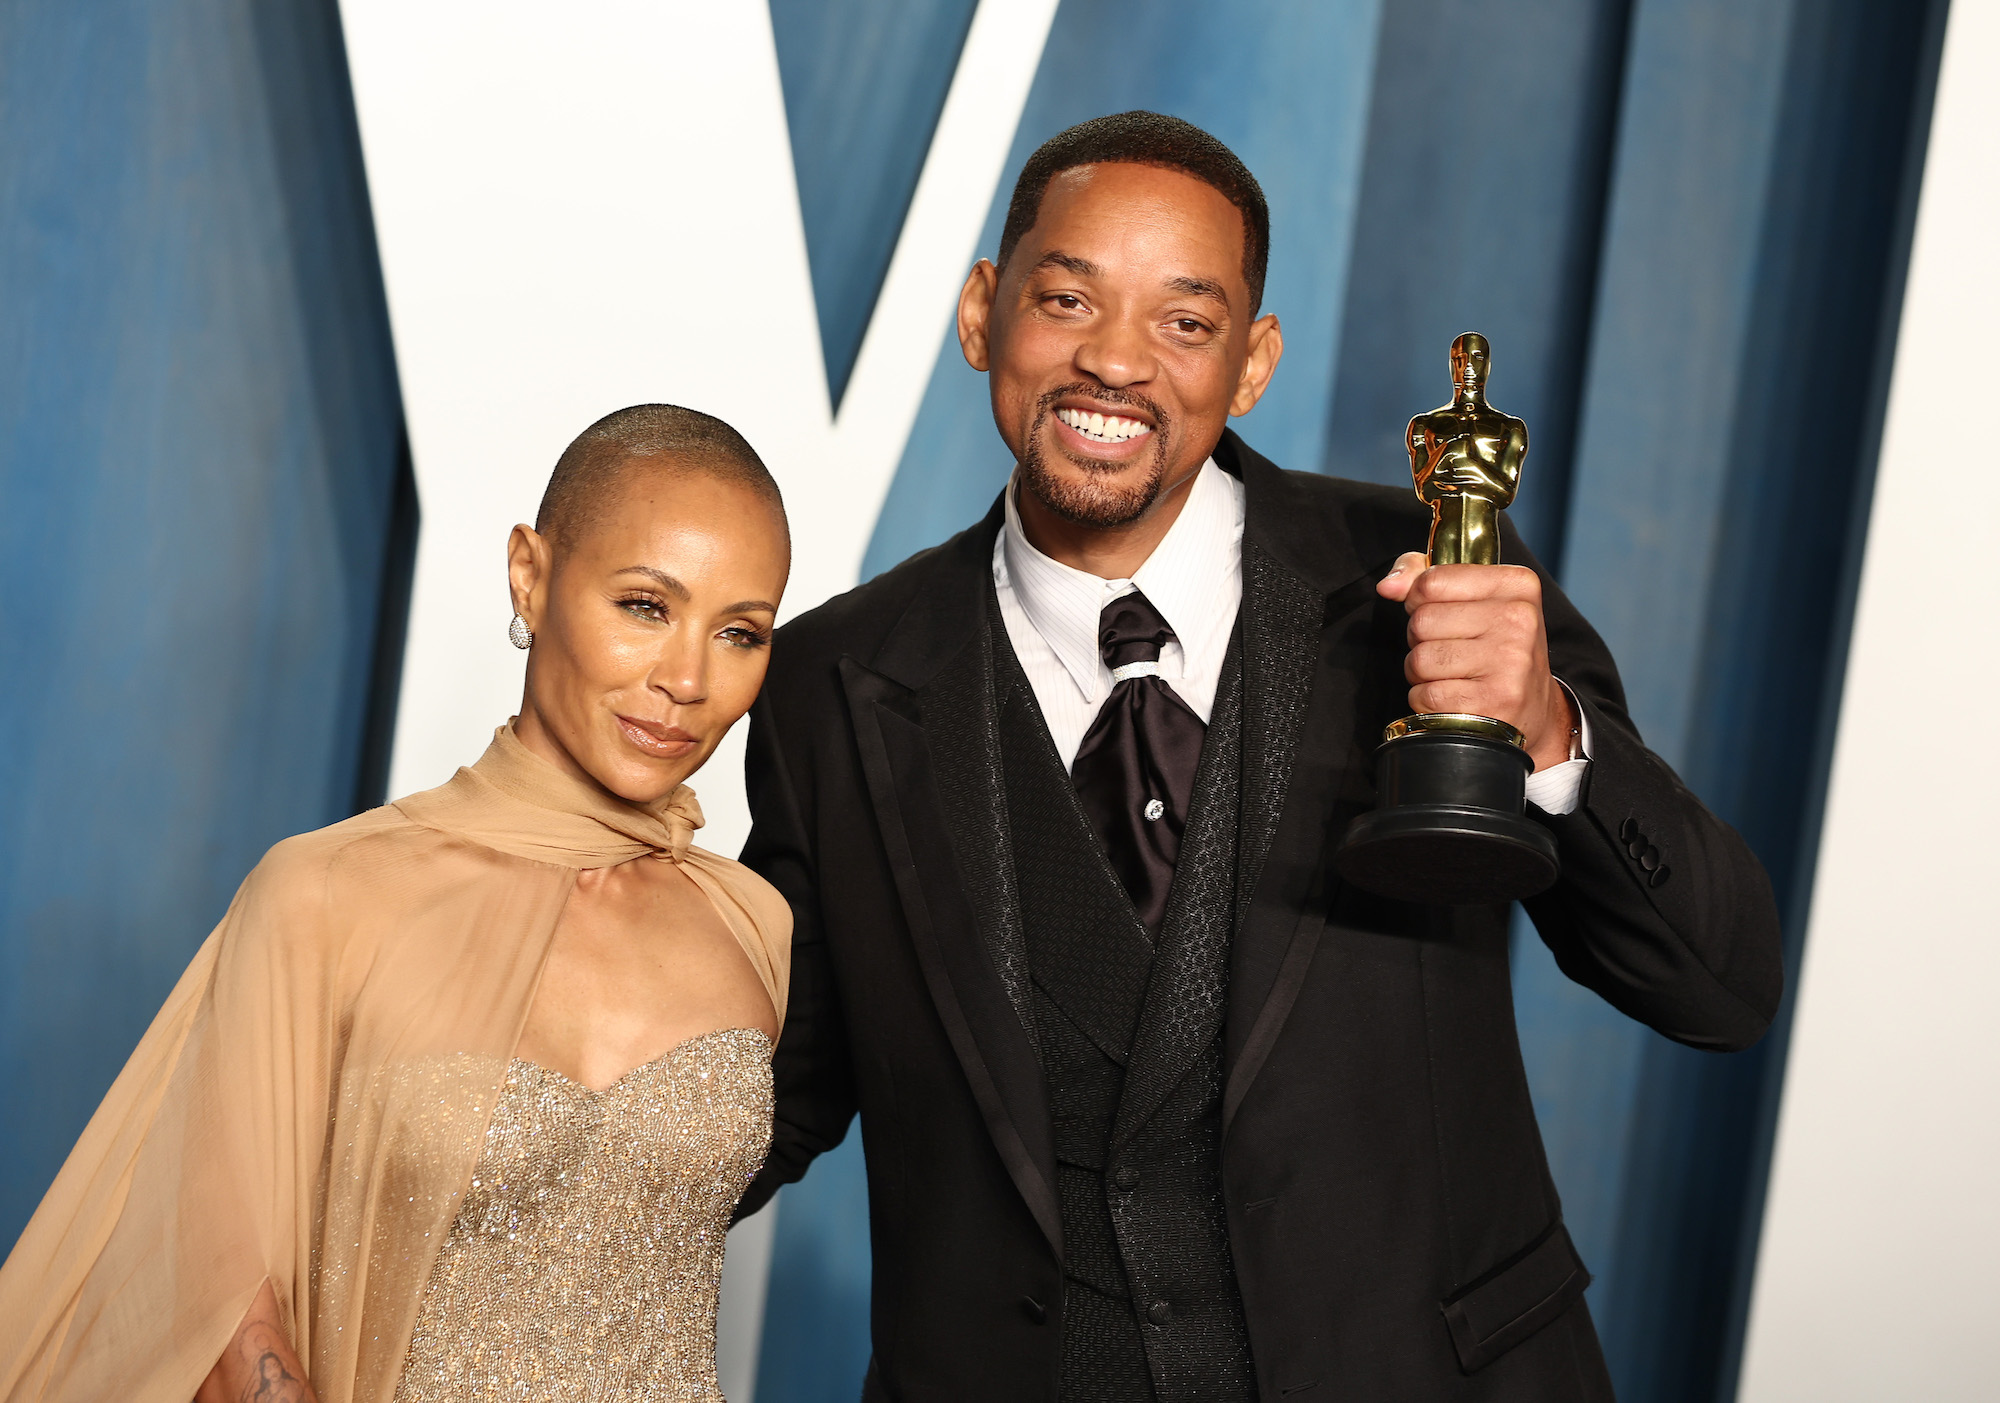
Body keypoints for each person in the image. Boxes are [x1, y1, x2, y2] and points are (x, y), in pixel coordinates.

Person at [734, 112, 1782, 1401]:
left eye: (1184, 321)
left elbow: (1721, 985)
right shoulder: (829, 678)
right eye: (1067, 299)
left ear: (1250, 362)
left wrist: (1551, 734)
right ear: (980, 313)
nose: (1113, 360)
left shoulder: (1431, 583)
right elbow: (773, 1088)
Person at [0, 405, 794, 1403]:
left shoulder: (750, 924)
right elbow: (218, 1302)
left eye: (739, 633)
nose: (686, 678)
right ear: (530, 575)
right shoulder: (325, 895)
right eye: (644, 605)